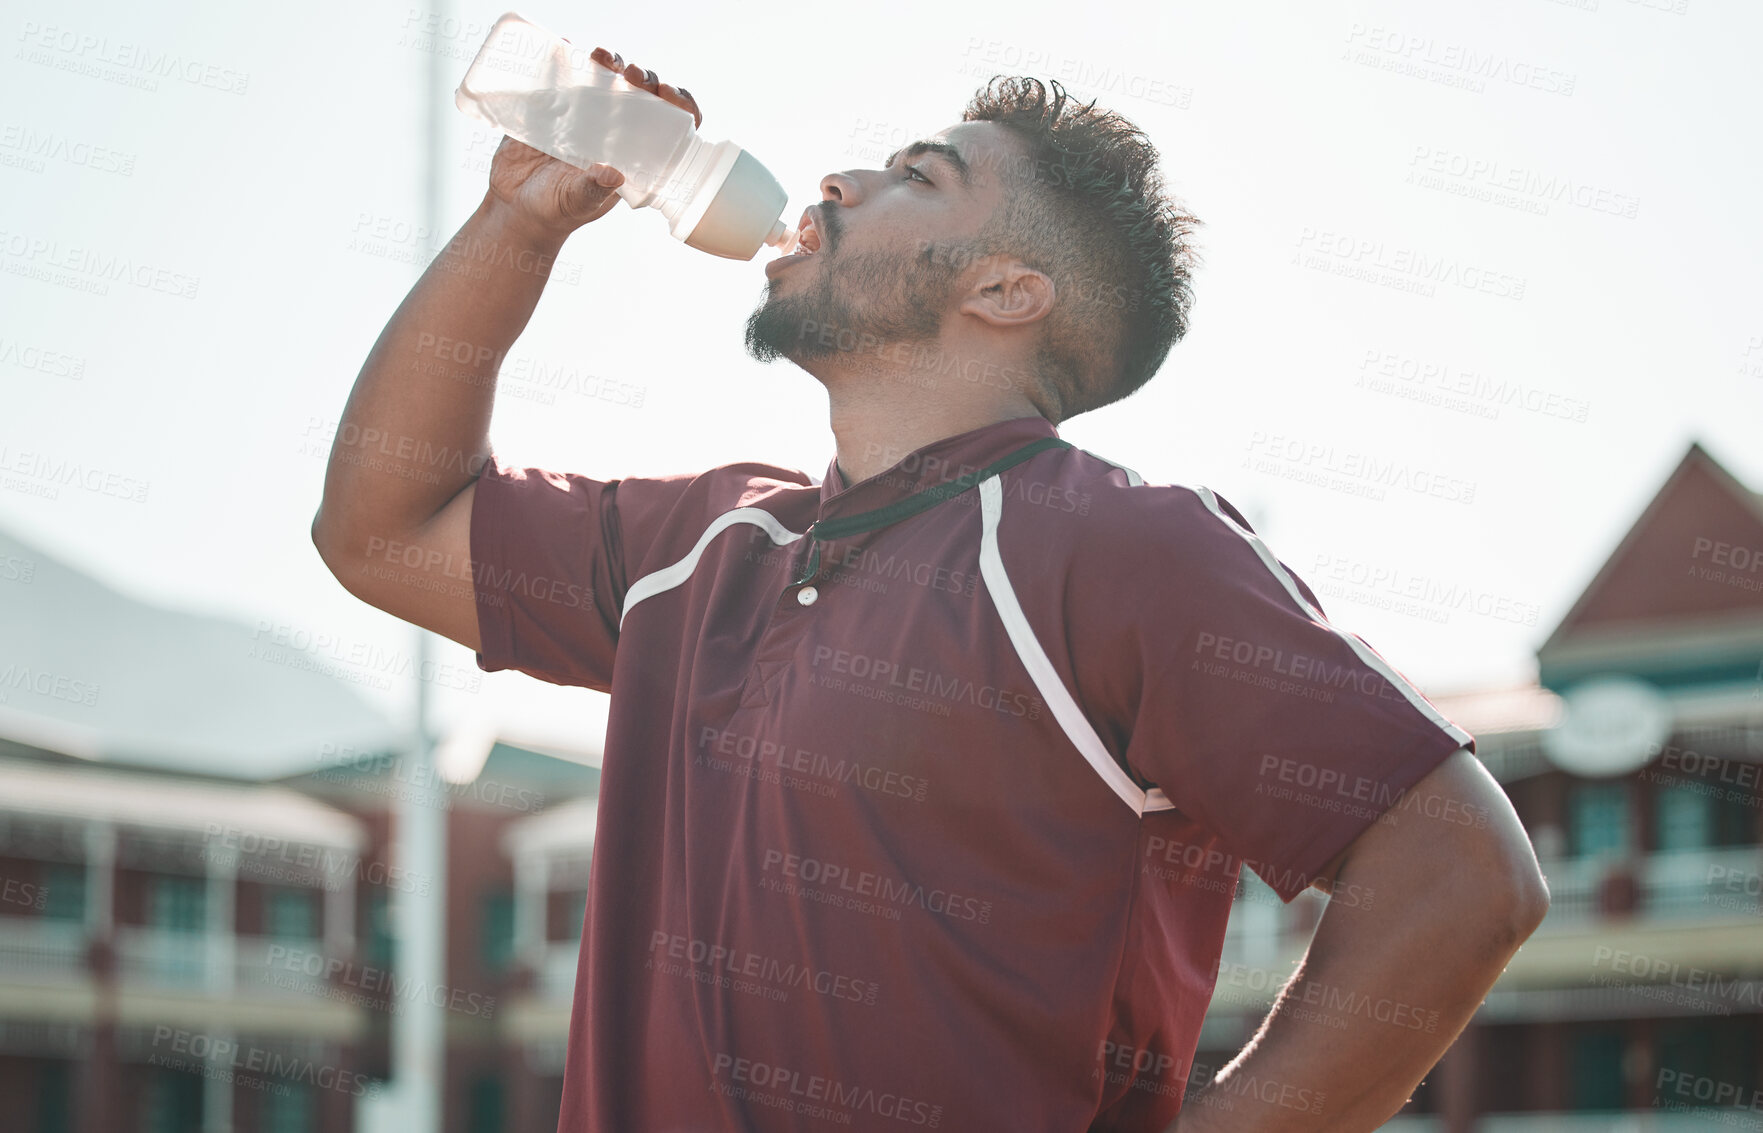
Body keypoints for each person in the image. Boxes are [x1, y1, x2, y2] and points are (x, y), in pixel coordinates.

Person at [313, 48, 1549, 1133]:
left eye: (917, 176)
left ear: (1005, 292)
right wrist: (519, 225)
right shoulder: (699, 542)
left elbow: (1459, 874)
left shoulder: (1123, 549)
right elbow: (382, 528)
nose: (835, 184)